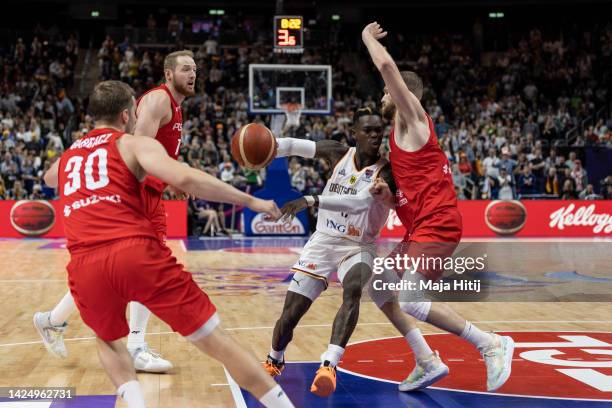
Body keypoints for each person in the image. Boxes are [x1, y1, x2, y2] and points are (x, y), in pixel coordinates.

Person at [49, 80, 292, 408]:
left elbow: (50, 178)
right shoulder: (133, 144)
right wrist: (252, 201)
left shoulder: (70, 156)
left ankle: (136, 403)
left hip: (84, 264)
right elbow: (187, 178)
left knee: (107, 340)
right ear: (125, 115)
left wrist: (81, 155)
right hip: (133, 251)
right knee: (217, 342)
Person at [361, 21, 514, 392]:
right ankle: (426, 360)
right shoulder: (400, 142)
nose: (383, 96)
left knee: (412, 301)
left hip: (439, 224)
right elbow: (415, 194)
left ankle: (490, 344)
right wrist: (389, 198)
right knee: (378, 286)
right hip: (420, 226)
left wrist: (366, 38)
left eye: (387, 92)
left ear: (402, 94)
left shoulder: (413, 118)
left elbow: (387, 68)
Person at [264, 108, 448, 397]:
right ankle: (276, 357)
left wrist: (311, 199)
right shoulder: (338, 152)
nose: (376, 135)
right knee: (290, 316)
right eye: (369, 130)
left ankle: (329, 364)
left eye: (379, 130)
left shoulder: (387, 170)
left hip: (359, 246)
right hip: (324, 242)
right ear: (354, 134)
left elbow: (359, 204)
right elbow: (292, 145)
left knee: (353, 290)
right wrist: (266, 147)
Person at [34, 50, 197, 372]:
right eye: (185, 69)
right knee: (142, 265)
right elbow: (134, 150)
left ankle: (51, 321)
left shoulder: (173, 106)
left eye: (195, 69)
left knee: (111, 272)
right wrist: (169, 175)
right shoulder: (158, 101)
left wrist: (169, 175)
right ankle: (136, 345)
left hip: (149, 190)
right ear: (168, 74)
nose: (193, 74)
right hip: (138, 193)